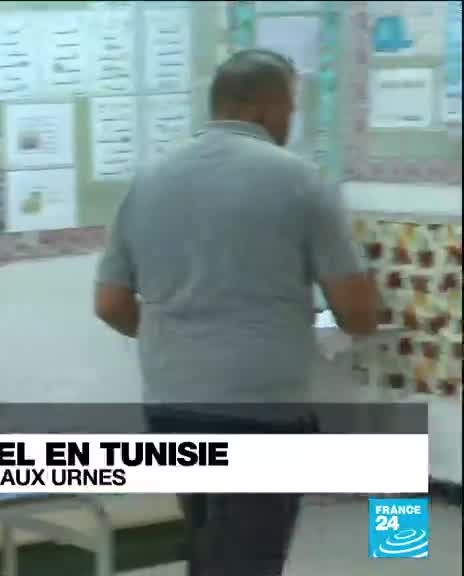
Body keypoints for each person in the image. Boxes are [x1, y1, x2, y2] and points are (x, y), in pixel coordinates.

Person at [94, 49, 381, 576]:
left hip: (172, 404)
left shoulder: (149, 178)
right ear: (265, 107)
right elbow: (357, 312)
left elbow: (110, 303)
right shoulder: (299, 179)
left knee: (209, 548)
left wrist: (174, 340)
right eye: (290, 107)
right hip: (263, 408)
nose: (291, 120)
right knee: (248, 559)